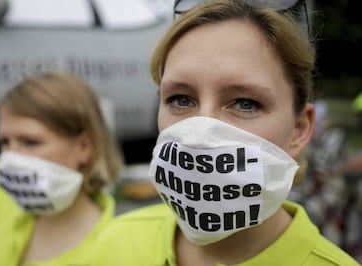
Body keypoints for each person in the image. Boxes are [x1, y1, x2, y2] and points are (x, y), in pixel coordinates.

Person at [90, 1, 359, 265]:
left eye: (245, 103)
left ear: (299, 131)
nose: (201, 135)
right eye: (180, 100)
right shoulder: (115, 243)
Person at [0, 14, 123, 266]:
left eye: (30, 142)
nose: (10, 157)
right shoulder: (11, 202)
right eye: (5, 141)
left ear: (84, 147)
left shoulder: (116, 250)